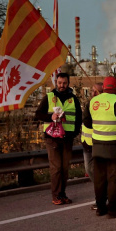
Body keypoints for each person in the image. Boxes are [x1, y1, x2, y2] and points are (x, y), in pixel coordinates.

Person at [83, 76, 116, 218]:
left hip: (97, 147)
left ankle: (100, 208)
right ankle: (113, 210)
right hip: (115, 148)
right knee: (113, 179)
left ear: (104, 87)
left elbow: (87, 122)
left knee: (99, 180)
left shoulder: (92, 102)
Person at [35, 72, 82, 205]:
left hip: (67, 138)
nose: (62, 85)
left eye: (64, 83)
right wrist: (51, 117)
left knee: (65, 168)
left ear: (68, 83)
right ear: (56, 82)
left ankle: (62, 194)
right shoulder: (49, 97)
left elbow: (78, 118)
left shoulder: (73, 99)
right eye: (60, 83)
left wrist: (75, 133)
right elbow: (38, 114)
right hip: (52, 138)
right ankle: (56, 196)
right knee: (56, 168)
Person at [81, 82, 103, 210]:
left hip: (98, 143)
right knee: (89, 170)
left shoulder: (102, 106)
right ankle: (101, 194)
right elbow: (85, 121)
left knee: (97, 172)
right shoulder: (89, 104)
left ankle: (100, 197)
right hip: (87, 143)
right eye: (92, 91)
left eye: (96, 91)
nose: (93, 93)